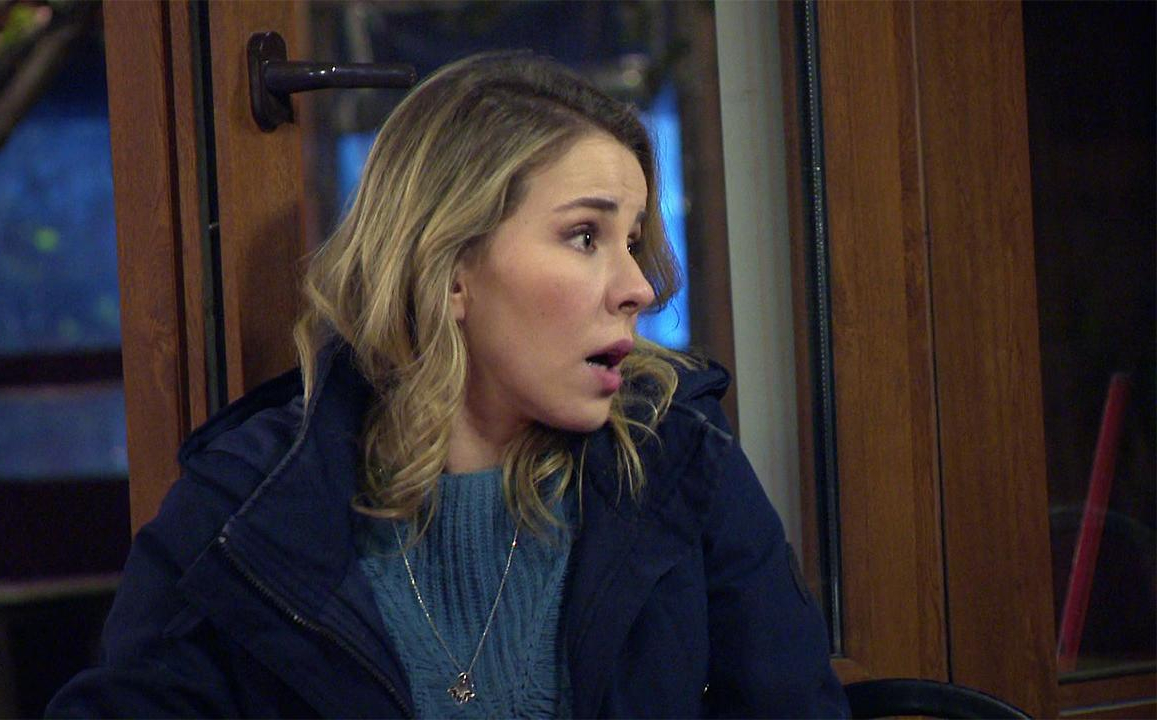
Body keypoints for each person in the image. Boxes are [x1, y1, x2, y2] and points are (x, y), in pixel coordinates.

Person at [48, 51, 848, 718]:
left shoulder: (677, 456)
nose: (638, 286)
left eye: (633, 241)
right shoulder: (247, 500)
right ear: (450, 268)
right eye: (585, 236)